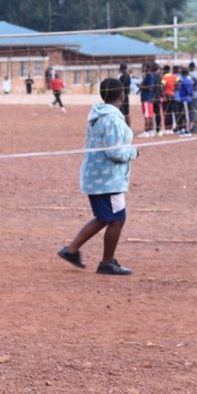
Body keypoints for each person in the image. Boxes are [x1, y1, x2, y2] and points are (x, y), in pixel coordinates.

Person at [57, 78, 138, 275]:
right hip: (107, 180)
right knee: (117, 219)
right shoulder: (111, 119)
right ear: (122, 95)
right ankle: (106, 262)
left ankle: (71, 250)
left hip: (99, 177)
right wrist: (133, 152)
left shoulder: (99, 115)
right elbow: (115, 153)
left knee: (104, 218)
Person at [139, 62, 161, 137]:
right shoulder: (147, 76)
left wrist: (141, 86)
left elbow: (150, 87)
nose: (142, 68)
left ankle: (147, 131)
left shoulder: (149, 76)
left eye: (143, 67)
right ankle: (151, 130)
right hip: (149, 98)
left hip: (147, 98)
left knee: (147, 116)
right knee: (149, 115)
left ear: (147, 68)